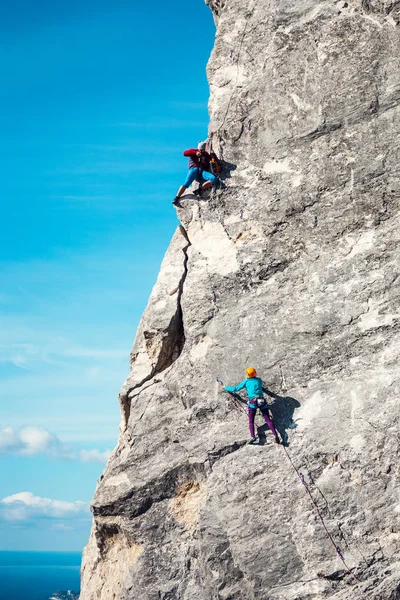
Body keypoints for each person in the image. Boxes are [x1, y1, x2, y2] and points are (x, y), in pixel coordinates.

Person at [224, 367, 280, 445]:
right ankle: (275, 435)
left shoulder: (246, 382)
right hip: (262, 401)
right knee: (268, 420)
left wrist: (225, 387)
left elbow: (235, 389)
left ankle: (253, 436)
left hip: (253, 402)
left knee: (251, 421)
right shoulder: (259, 380)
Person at [173, 141, 217, 206]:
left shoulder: (205, 154)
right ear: (198, 148)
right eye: (200, 149)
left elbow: (209, 160)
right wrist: (195, 153)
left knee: (213, 179)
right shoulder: (193, 151)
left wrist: (210, 157)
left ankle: (199, 189)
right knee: (186, 183)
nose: (201, 151)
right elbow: (185, 153)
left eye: (203, 149)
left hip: (202, 171)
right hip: (194, 169)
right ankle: (177, 197)